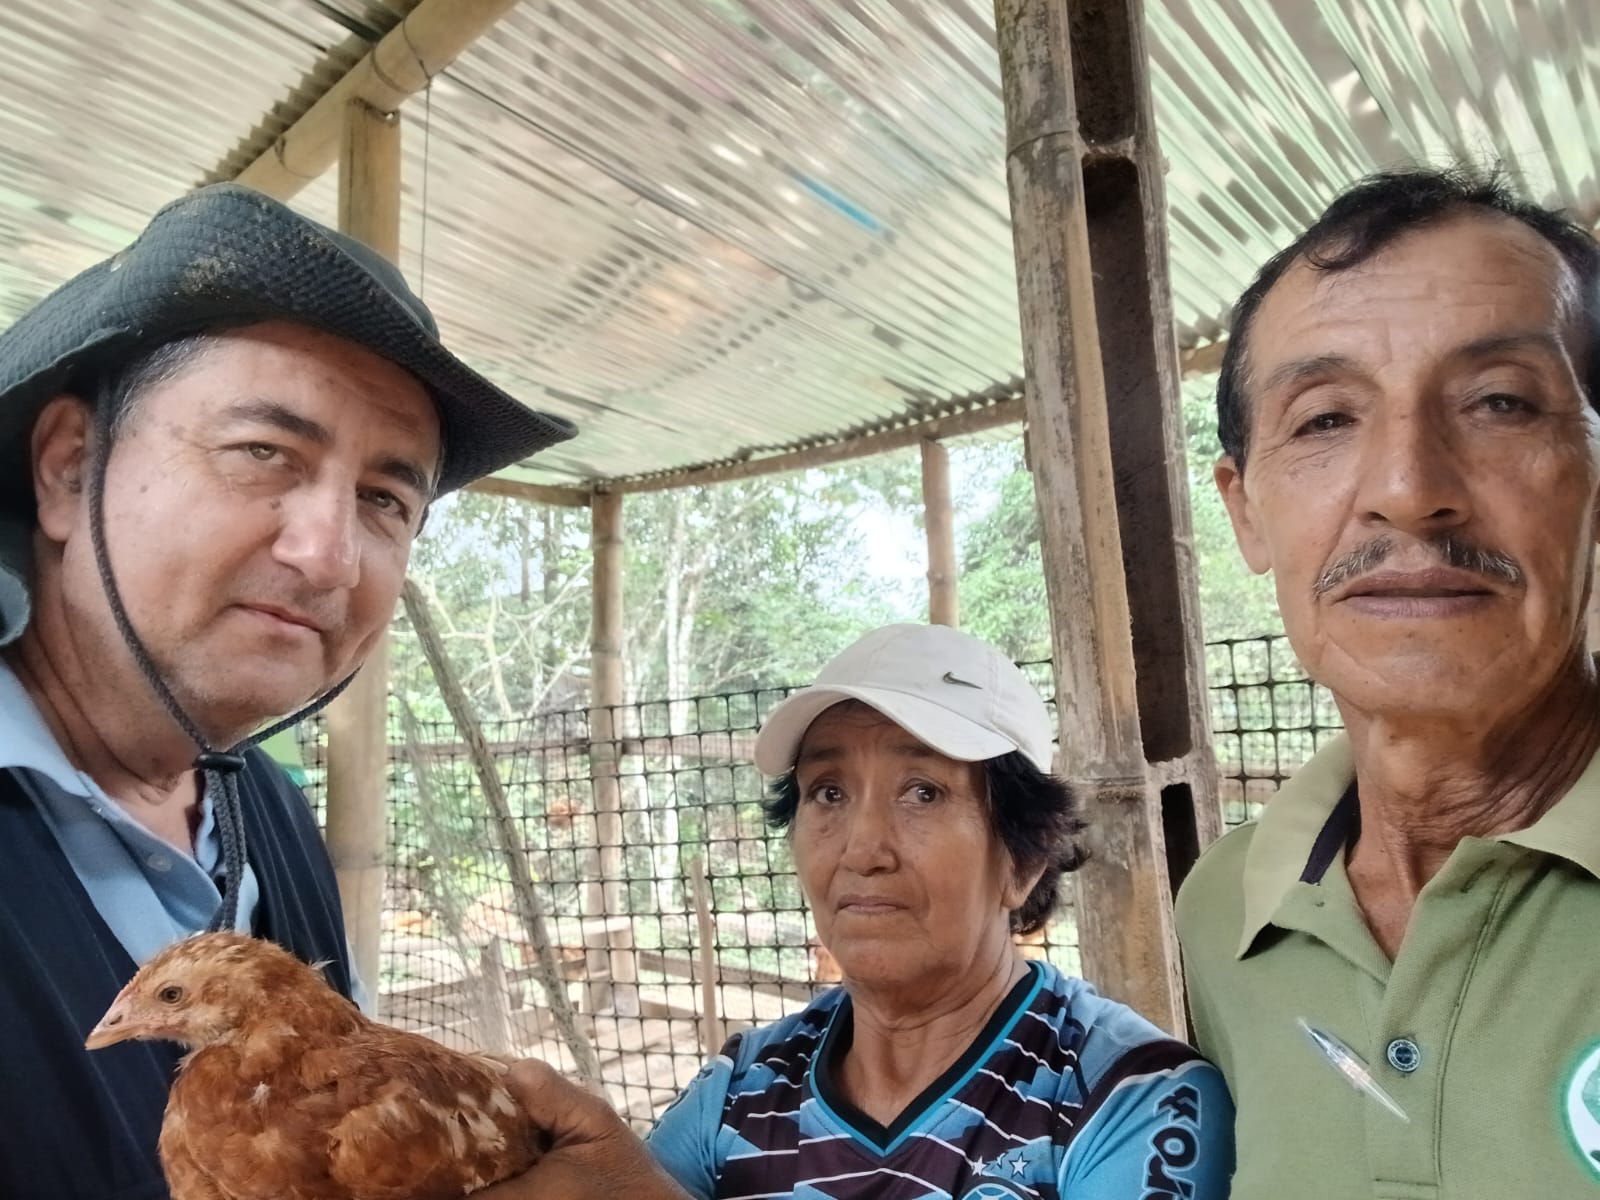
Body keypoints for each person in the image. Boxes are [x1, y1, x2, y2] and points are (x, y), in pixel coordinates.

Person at [0, 182, 574, 1199]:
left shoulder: (265, 810)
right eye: (263, 453)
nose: (330, 554)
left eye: (384, 499)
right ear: (69, 469)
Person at [1175, 164, 1600, 1197]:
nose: (1409, 490)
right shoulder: (1226, 912)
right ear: (1244, 512)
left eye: (1500, 402)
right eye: (1324, 419)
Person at [642, 624, 1234, 1199]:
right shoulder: (739, 1091)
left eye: (923, 792)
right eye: (828, 792)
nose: (862, 851)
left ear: (1024, 860)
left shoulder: (1129, 1098)